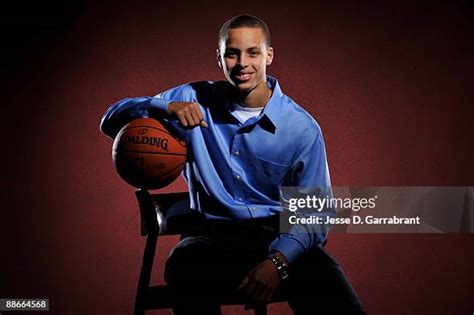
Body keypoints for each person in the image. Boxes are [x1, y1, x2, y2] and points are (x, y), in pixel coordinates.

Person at [100, 14, 365, 315]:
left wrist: (277, 261)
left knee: (328, 284)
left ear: (269, 55)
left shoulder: (301, 128)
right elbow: (110, 121)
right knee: (183, 264)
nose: (242, 64)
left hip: (276, 235)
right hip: (211, 238)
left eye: (253, 52)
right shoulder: (191, 98)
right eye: (232, 53)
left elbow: (315, 214)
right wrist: (162, 106)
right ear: (219, 58)